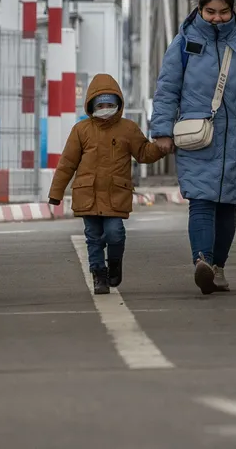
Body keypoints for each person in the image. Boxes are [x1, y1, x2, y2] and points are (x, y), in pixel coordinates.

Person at [150, 0, 236, 295]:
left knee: (227, 206)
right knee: (201, 201)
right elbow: (167, 89)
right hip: (198, 136)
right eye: (210, 11)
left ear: (232, 10)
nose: (217, 18)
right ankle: (203, 261)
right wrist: (162, 131)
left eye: (223, 12)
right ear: (200, 9)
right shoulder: (183, 43)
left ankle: (217, 265)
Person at [47, 74, 167, 294]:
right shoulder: (81, 130)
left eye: (109, 104)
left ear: (118, 104)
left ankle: (114, 263)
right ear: (91, 105)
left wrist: (160, 148)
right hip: (87, 195)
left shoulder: (128, 129)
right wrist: (56, 193)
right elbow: (67, 164)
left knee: (115, 233)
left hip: (115, 195)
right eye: (100, 104)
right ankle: (99, 275)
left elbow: (143, 153)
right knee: (93, 238)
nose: (105, 108)